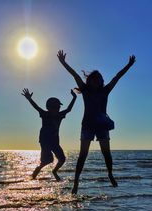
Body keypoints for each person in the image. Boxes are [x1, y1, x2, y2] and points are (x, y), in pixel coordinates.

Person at [57, 50, 136, 194]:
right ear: (90, 81)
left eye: (99, 79)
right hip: (87, 125)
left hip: (101, 125)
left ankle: (110, 174)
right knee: (83, 155)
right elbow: (75, 74)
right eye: (94, 79)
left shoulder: (105, 91)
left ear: (101, 81)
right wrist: (63, 63)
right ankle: (76, 183)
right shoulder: (85, 90)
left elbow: (117, 77)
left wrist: (129, 65)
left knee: (107, 153)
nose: (97, 80)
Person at [21, 88, 77, 181]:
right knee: (48, 160)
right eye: (56, 106)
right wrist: (29, 99)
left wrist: (74, 98)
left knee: (62, 159)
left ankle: (54, 171)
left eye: (59, 107)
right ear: (49, 107)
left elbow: (69, 109)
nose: (59, 108)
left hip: (55, 142)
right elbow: (36, 107)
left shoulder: (60, 115)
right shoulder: (45, 114)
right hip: (45, 141)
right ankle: (36, 171)